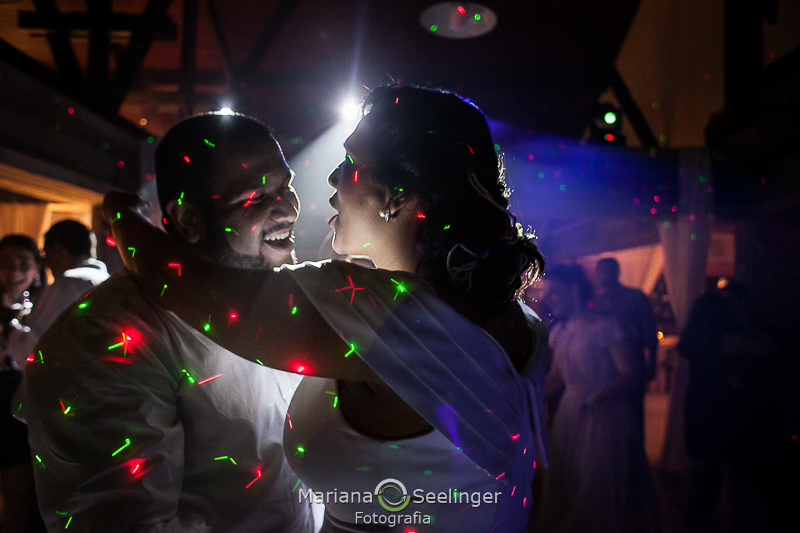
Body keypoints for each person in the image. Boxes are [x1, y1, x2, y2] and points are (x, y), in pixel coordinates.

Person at [102, 85, 549, 533]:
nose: (333, 178)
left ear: (398, 194)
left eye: (352, 162)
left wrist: (123, 212)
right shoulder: (521, 322)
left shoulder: (378, 314)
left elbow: (180, 281)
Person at [23, 114, 316, 532]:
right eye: (256, 196)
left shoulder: (281, 296)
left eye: (285, 185)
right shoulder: (109, 334)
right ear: (189, 221)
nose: (287, 208)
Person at [540, 264, 659, 533]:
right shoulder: (561, 331)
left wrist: (601, 395)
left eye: (555, 292)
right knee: (569, 480)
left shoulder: (610, 325)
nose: (548, 299)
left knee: (597, 487)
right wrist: (522, 395)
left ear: (573, 290)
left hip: (604, 416)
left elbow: (631, 373)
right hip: (570, 414)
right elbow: (557, 378)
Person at [4, 220, 109, 363]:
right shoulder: (106, 280)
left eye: (45, 253)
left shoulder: (68, 283)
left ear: (57, 250)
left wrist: (10, 328)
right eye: (5, 262)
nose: (45, 262)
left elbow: (38, 348)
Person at [0, 235, 47, 533]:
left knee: (19, 488)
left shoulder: (46, 307)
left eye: (23, 263)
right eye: (5, 263)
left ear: (37, 270)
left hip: (20, 402)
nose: (14, 270)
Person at [593, 257, 658, 440]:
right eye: (601, 271)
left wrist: (651, 361)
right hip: (604, 362)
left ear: (616, 272)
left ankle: (634, 454)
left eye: (607, 270)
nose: (603, 275)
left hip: (632, 357)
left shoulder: (635, 297)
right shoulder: (596, 299)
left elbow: (649, 330)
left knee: (632, 408)